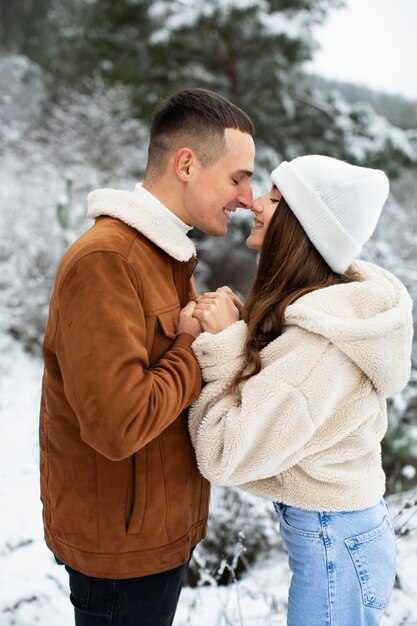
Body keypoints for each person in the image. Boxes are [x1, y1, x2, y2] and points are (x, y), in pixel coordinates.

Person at [39, 88, 255, 626]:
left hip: (154, 537)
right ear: (186, 163)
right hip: (120, 552)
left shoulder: (164, 256)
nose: (248, 198)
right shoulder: (107, 261)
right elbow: (119, 424)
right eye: (237, 177)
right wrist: (190, 346)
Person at [187, 155, 413, 626]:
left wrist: (226, 345)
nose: (255, 203)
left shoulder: (320, 348)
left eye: (274, 196)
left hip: (336, 542)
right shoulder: (323, 310)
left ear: (304, 224)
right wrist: (245, 327)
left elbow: (224, 452)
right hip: (344, 535)